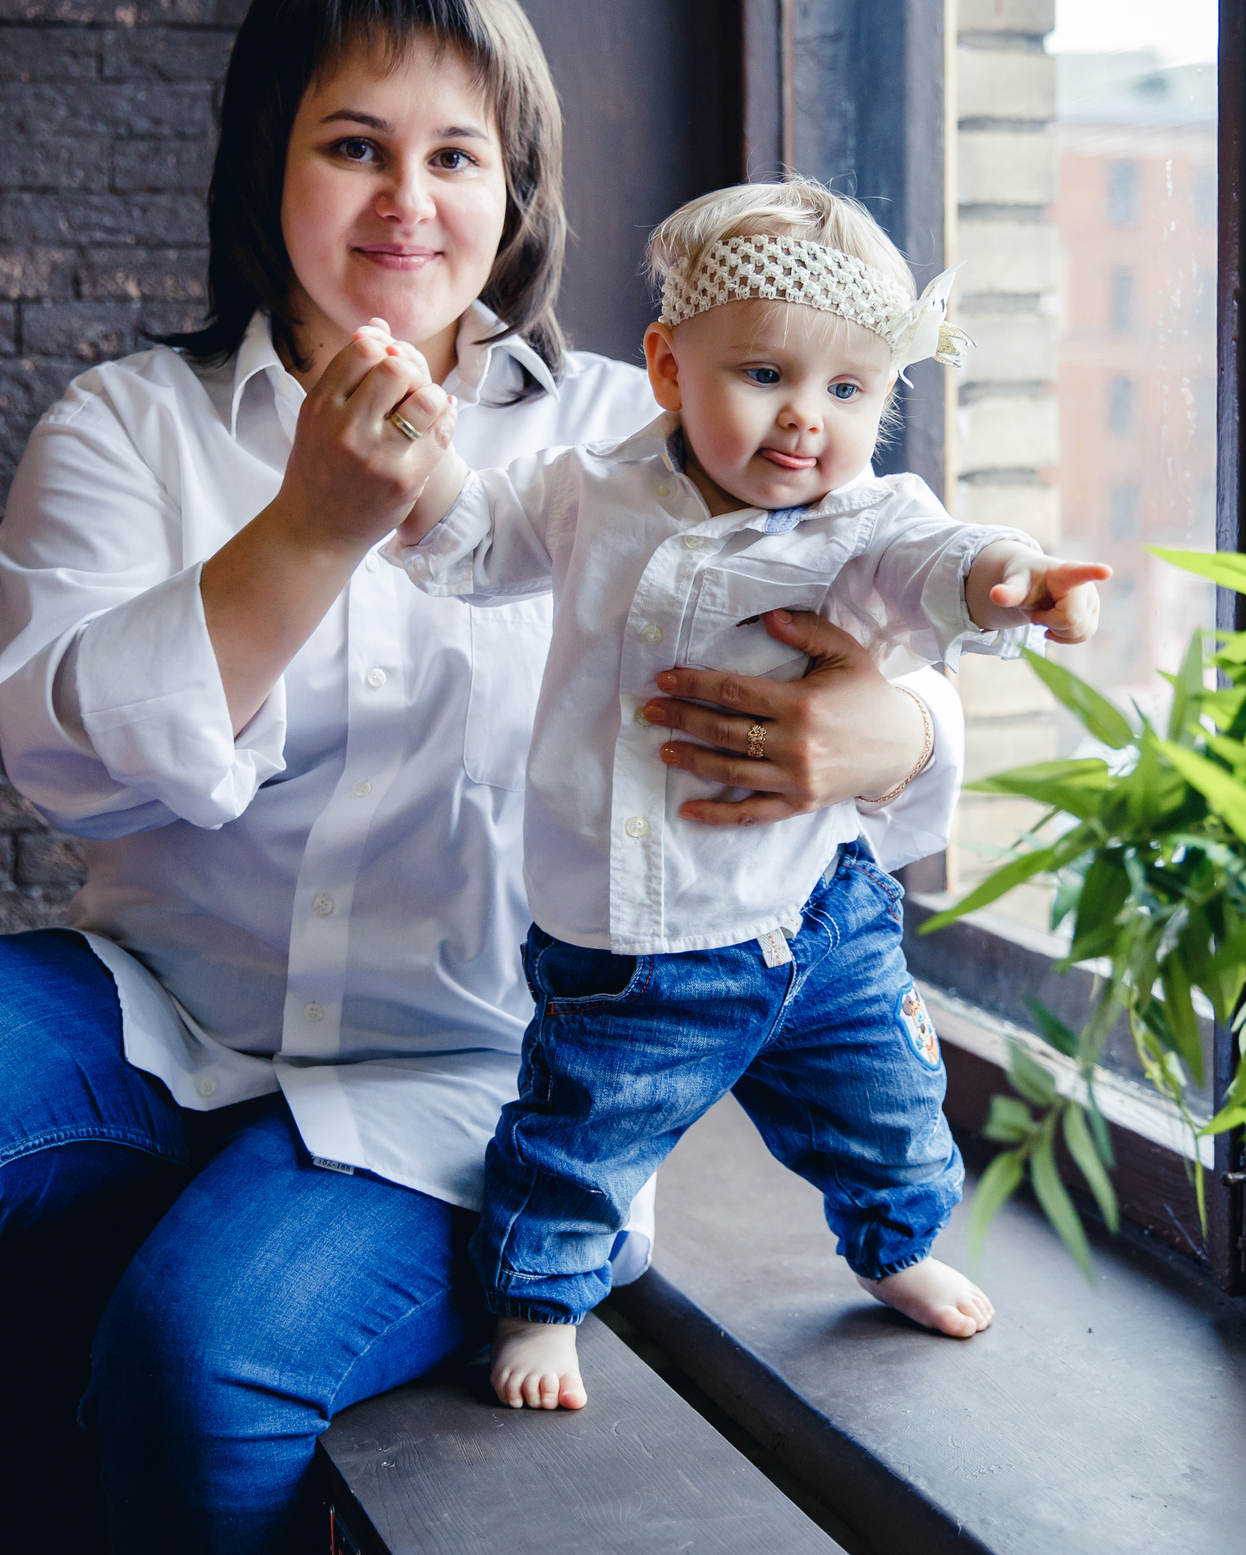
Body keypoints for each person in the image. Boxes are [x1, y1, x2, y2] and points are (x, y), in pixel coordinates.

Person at [0, 0, 966, 1555]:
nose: (408, 200)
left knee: (195, 1352)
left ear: (516, 192)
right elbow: (69, 752)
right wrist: (311, 530)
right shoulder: (129, 424)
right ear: (272, 162)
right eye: (354, 146)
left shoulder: (636, 440)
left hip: (483, 1071)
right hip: (171, 1004)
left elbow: (879, 591)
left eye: (458, 154)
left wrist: (891, 732)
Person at [380, 181, 1111, 1410]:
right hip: (634, 949)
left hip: (818, 920)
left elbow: (945, 561)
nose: (804, 423)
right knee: (583, 1132)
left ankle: (895, 1246)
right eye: (764, 375)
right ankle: (540, 1303)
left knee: (886, 1103)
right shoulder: (585, 492)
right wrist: (414, 455)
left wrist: (1016, 581)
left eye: (848, 391)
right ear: (668, 368)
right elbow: (467, 538)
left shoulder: (861, 526)